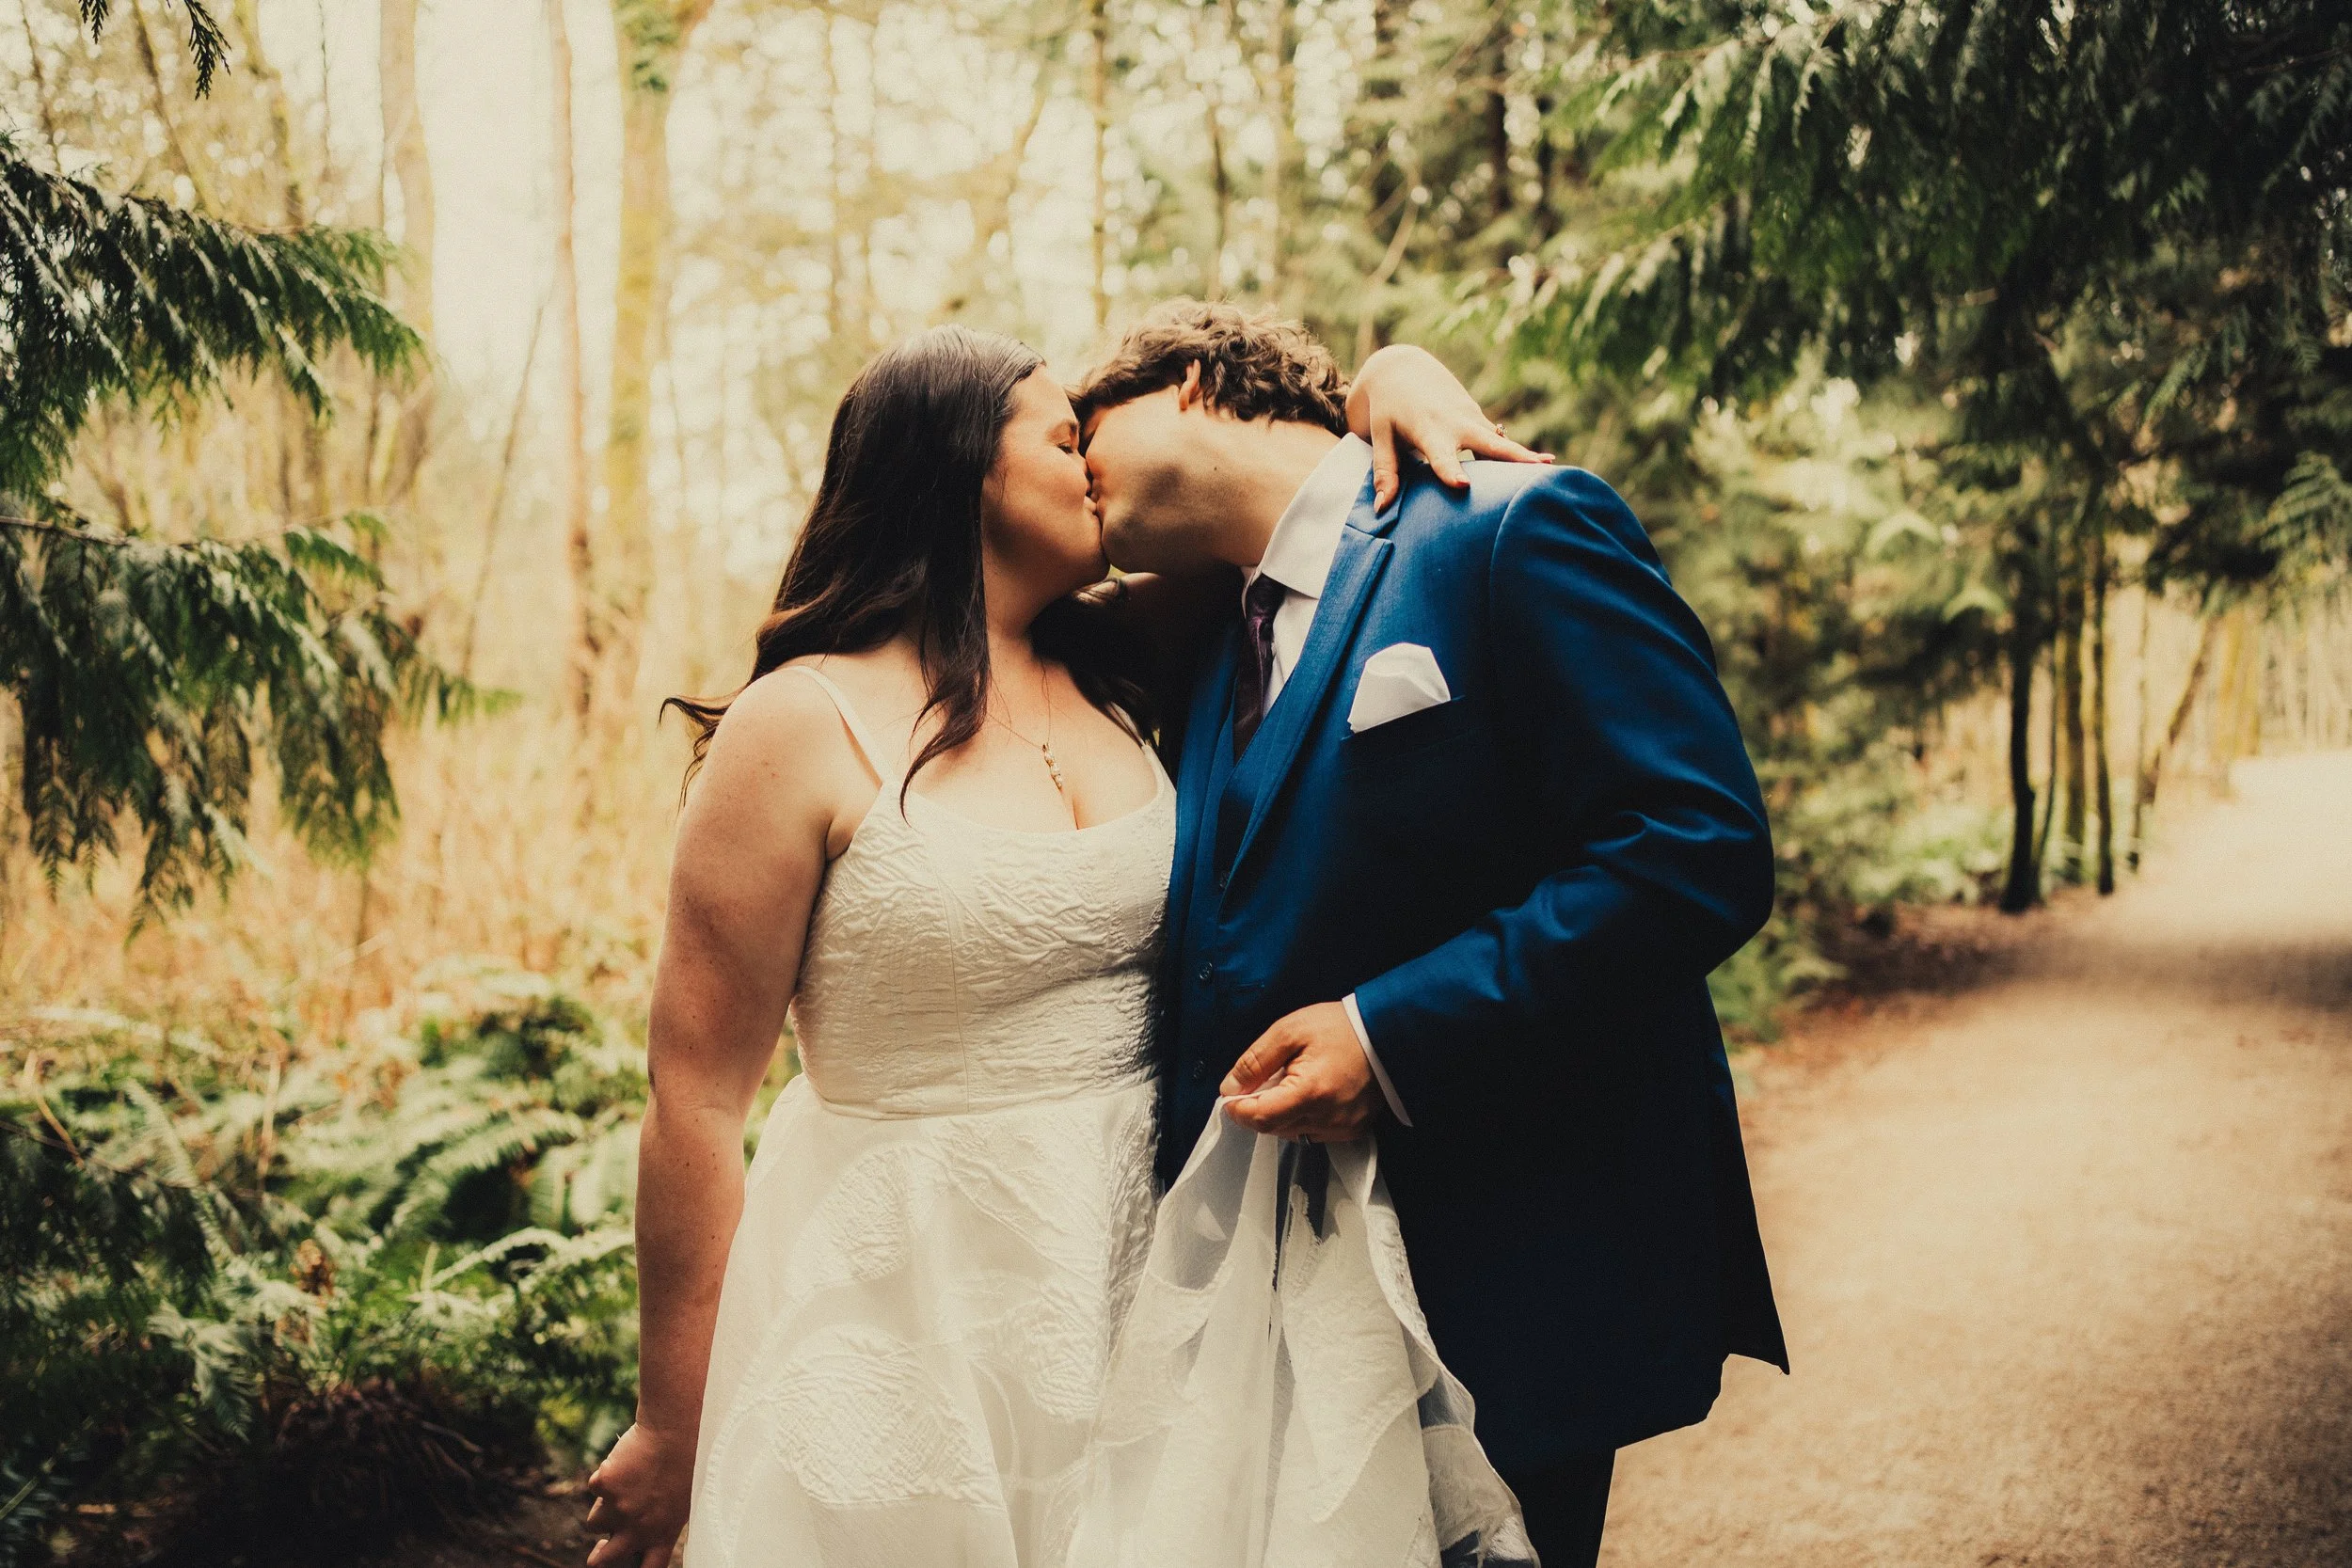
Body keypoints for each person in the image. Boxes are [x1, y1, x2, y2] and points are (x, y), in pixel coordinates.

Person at [581, 324, 1540, 1568]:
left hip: (1155, 1257)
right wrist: (673, 1416)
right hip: (910, 1300)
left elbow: (1292, 484)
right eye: (1061, 434)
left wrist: (1393, 375)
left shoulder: (1140, 655)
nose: (1093, 463)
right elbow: (695, 1098)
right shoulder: (797, 723)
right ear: (959, 466)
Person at [1073, 301, 1789, 1568]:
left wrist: (1387, 1032)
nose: (1071, 459)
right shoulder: (1189, 636)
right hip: (1252, 1297)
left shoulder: (1514, 526)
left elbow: (1696, 846)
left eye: (1088, 421)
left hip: (1501, 1259)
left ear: (1191, 381)